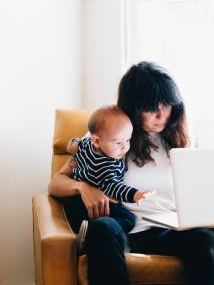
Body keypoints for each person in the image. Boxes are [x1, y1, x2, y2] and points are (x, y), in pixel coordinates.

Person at [48, 61, 214, 285]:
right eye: (151, 108)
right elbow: (55, 183)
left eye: (166, 105)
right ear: (134, 107)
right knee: (102, 229)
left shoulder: (181, 140)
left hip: (166, 230)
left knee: (204, 237)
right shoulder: (108, 137)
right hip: (124, 231)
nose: (161, 115)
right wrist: (83, 188)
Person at [66, 104, 155, 255]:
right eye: (118, 143)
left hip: (73, 203)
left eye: (128, 140)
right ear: (97, 141)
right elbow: (113, 187)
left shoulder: (87, 144)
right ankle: (89, 235)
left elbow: (75, 144)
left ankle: (86, 231)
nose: (125, 148)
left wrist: (71, 146)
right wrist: (135, 194)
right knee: (128, 218)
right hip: (93, 205)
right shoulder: (108, 164)